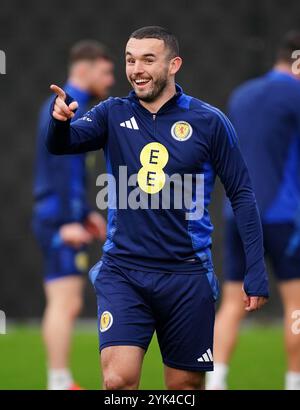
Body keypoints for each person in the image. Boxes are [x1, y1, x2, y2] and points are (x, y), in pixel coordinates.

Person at [45, 26, 268, 390]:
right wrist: (59, 123)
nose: (137, 69)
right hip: (124, 270)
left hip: (187, 274)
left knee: (184, 387)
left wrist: (254, 270)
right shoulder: (110, 114)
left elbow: (242, 193)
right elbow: (62, 144)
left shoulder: (209, 122)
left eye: (148, 59)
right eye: (130, 60)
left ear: (174, 64)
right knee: (117, 381)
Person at [206, 31, 300, 391]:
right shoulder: (296, 95)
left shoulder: (241, 95)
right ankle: (294, 382)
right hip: (283, 215)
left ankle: (216, 383)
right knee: (296, 304)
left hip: (238, 213)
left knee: (231, 302)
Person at [32, 40, 115, 390]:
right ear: (84, 68)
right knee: (64, 301)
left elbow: (71, 174)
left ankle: (59, 378)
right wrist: (69, 221)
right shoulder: (68, 106)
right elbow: (61, 171)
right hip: (56, 218)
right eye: (106, 71)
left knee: (67, 298)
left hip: (59, 213)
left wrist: (85, 214)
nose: (111, 80)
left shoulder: (69, 107)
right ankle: (59, 380)